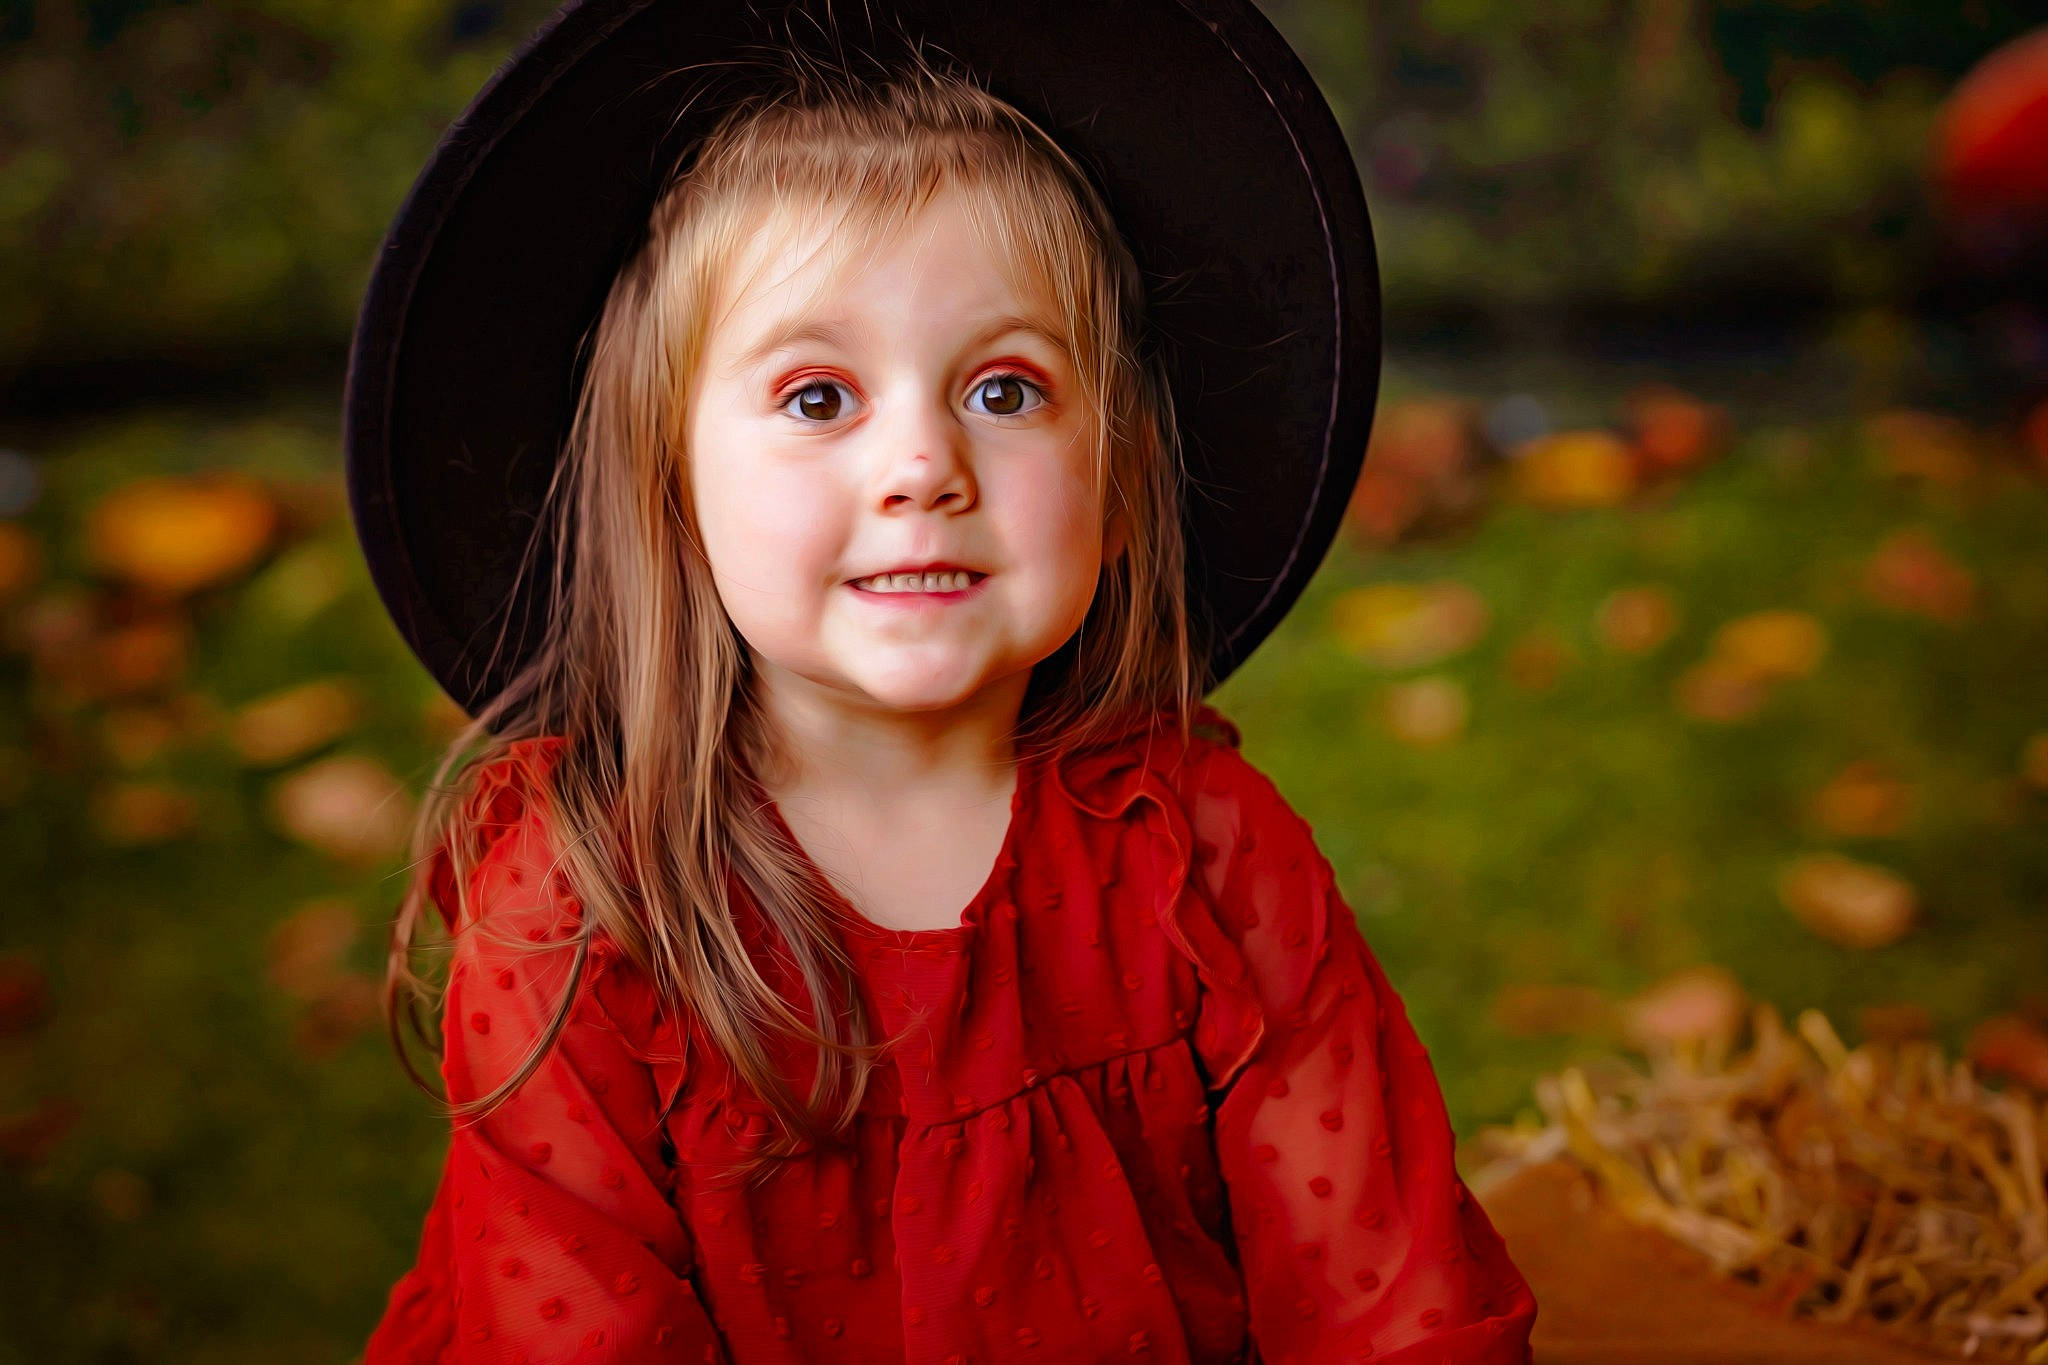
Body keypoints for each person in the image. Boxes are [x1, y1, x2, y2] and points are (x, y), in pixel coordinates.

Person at [346, 3, 1537, 1361]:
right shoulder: (582, 920)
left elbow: (1391, 1298)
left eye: (1005, 391)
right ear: (669, 491)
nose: (923, 466)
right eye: (818, 398)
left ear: (1122, 483)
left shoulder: (1205, 861)